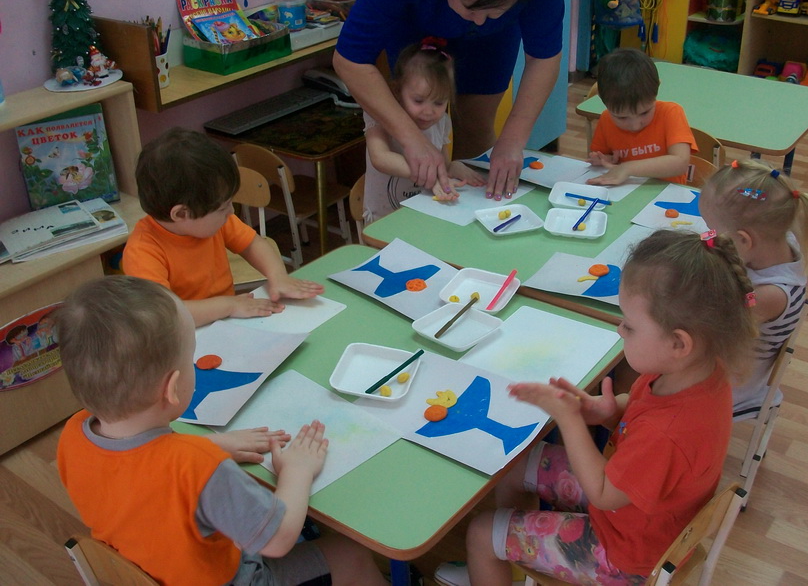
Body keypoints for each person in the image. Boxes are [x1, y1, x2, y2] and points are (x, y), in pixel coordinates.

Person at [437, 229, 757, 586]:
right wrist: (611, 411)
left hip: (624, 555)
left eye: (630, 326)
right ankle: (506, 557)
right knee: (515, 464)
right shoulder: (696, 371)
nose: (620, 330)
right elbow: (642, 411)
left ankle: (493, 556)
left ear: (679, 343)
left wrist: (570, 420)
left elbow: (603, 493)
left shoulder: (668, 434)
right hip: (635, 511)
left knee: (482, 532)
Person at [55, 276, 386, 586]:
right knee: (352, 554)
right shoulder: (200, 467)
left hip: (154, 569)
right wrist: (297, 471)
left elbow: (140, 474)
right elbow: (278, 539)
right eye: (191, 357)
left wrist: (214, 445)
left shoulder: (73, 434)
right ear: (172, 388)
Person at [333, 0, 564, 201]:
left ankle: (468, 210)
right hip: (414, 19)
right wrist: (412, 140)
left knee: (477, 121)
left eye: (495, 11)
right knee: (417, 117)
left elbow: (544, 56)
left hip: (497, 37)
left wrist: (513, 140)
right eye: (471, 8)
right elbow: (349, 59)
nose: (479, 21)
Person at [123, 128, 324, 328]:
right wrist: (229, 306)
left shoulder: (213, 221)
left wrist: (278, 276)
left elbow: (253, 244)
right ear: (181, 214)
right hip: (184, 336)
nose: (231, 211)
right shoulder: (143, 251)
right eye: (222, 207)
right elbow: (166, 315)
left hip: (225, 322)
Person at [699, 158, 808, 419]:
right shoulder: (778, 241)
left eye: (712, 230)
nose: (708, 236)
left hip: (732, 386)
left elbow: (706, 329)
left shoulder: (770, 295)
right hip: (727, 354)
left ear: (744, 240)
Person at [364, 37, 485, 222]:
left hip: (422, 216)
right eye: (418, 101)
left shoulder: (441, 122)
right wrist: (431, 174)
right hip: (383, 218)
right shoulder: (379, 115)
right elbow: (380, 158)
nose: (429, 112)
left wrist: (453, 167)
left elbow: (442, 164)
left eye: (439, 102)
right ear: (398, 91)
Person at [587, 48, 696, 186]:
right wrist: (605, 159)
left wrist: (627, 168)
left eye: (644, 113)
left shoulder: (671, 113)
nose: (635, 125)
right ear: (601, 98)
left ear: (656, 88)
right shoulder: (606, 119)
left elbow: (680, 163)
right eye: (622, 118)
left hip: (667, 192)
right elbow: (604, 157)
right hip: (624, 190)